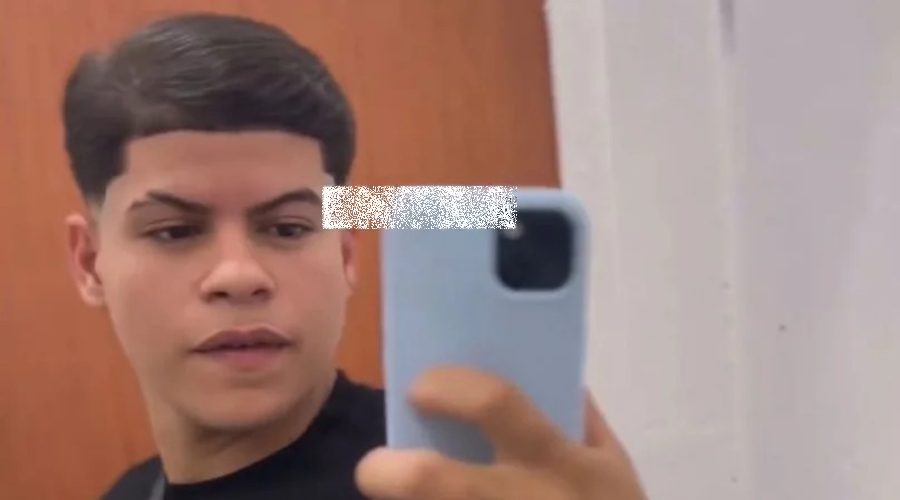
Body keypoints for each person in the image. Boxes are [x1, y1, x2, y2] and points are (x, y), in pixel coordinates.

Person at [61, 12, 648, 500]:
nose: (240, 275)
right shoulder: (129, 492)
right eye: (174, 232)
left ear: (345, 255)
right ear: (90, 264)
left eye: (288, 228)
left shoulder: (453, 484)